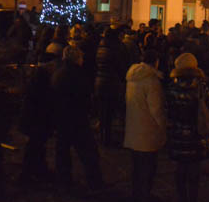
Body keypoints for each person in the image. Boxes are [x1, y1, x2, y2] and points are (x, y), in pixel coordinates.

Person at [51, 45, 104, 190]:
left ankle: (64, 180)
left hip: (62, 117)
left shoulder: (59, 73)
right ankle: (95, 182)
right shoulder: (78, 75)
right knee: (88, 152)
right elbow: (84, 97)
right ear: (77, 59)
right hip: (77, 118)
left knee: (62, 151)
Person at [167, 53, 209, 202]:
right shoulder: (200, 86)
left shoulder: (172, 86)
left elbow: (168, 109)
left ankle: (182, 199)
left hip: (178, 132)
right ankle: (192, 200)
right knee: (194, 170)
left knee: (180, 168)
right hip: (196, 133)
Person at [124, 49, 166, 202]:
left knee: (136, 165)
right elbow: (157, 109)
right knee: (148, 166)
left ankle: (137, 194)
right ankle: (145, 196)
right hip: (147, 130)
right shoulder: (152, 81)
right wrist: (163, 127)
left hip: (134, 126)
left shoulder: (132, 78)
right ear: (155, 62)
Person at [18, 41, 61, 184]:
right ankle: (27, 175)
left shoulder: (39, 75)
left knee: (37, 146)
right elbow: (42, 101)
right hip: (36, 121)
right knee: (34, 147)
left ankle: (39, 171)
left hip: (35, 120)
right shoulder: (42, 78)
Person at [95, 27, 127, 145]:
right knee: (109, 112)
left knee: (103, 111)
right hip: (111, 82)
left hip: (100, 81)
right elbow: (120, 66)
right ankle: (107, 138)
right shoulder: (116, 48)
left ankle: (102, 136)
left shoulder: (100, 47)